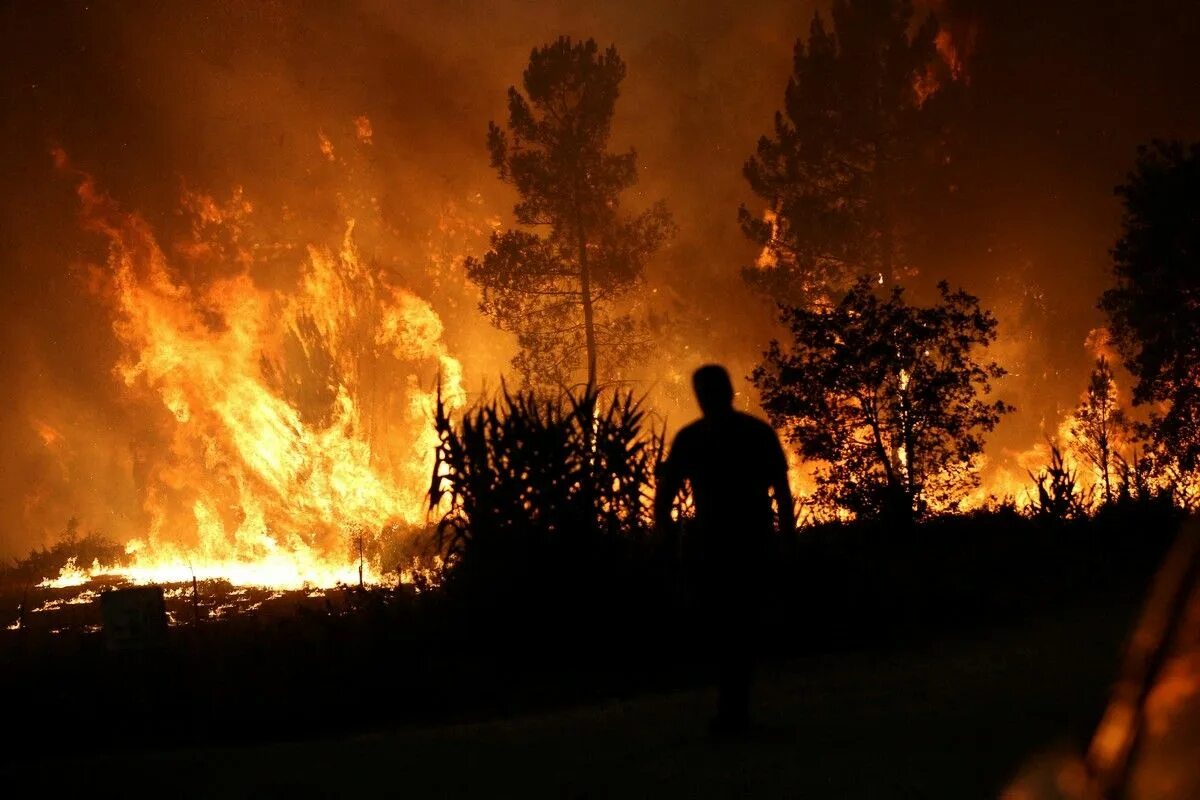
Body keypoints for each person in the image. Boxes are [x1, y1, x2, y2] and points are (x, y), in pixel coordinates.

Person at [655, 364, 796, 735]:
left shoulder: (693, 438)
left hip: (719, 543)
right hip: (745, 541)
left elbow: (664, 499)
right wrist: (787, 541)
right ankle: (735, 712)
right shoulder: (754, 433)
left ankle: (731, 712)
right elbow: (782, 493)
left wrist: (666, 540)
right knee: (739, 626)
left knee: (728, 626)